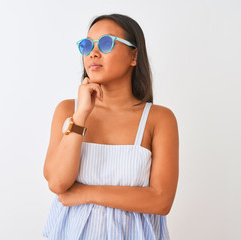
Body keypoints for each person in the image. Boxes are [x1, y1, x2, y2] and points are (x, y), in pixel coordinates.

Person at [42, 13, 179, 240]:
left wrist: (85, 193)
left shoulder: (159, 119)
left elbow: (161, 200)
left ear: (133, 56)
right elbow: (58, 183)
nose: (93, 53)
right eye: (87, 45)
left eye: (106, 43)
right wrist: (83, 113)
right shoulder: (68, 111)